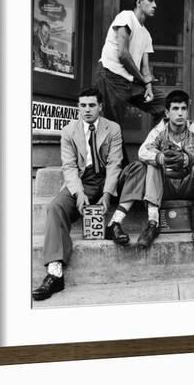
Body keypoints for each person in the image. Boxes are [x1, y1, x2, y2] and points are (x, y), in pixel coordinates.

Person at [32, 87, 123, 301]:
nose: (87, 109)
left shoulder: (113, 128)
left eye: (92, 105)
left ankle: (115, 224)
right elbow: (69, 167)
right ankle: (55, 273)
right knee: (55, 207)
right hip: (83, 181)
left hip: (108, 180)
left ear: (100, 106)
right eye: (83, 105)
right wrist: (79, 193)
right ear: (78, 107)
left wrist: (108, 194)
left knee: (129, 175)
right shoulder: (68, 131)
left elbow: (114, 163)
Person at [105, 90, 194, 248]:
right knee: (152, 162)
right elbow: (142, 151)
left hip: (189, 185)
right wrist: (161, 158)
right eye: (175, 109)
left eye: (183, 109)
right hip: (165, 187)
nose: (180, 114)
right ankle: (153, 223)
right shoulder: (159, 130)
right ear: (167, 112)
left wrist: (191, 158)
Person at [95, 0, 166, 161]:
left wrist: (148, 86)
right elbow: (123, 54)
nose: (155, 4)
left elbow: (145, 67)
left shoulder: (146, 34)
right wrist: (142, 79)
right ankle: (120, 172)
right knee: (113, 130)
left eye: (155, 0)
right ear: (139, 2)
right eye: (150, 0)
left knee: (165, 105)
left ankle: (151, 150)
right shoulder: (126, 16)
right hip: (111, 76)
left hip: (130, 81)